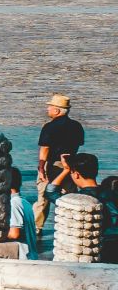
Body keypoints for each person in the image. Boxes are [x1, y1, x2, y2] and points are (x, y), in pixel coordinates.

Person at [34, 92, 84, 236]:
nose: (48, 109)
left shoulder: (49, 127)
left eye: (50, 107)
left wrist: (41, 168)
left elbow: (45, 149)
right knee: (68, 196)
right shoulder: (77, 126)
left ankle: (37, 228)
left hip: (52, 165)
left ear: (57, 110)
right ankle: (70, 226)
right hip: (70, 164)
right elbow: (77, 146)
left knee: (43, 198)